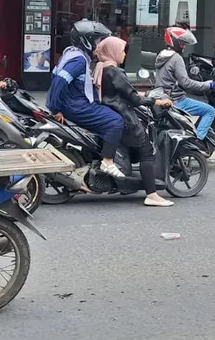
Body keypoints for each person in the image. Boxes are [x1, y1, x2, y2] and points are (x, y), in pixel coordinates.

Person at [94, 35, 175, 207]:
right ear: (113, 51)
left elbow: (123, 92)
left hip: (110, 114)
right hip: (123, 116)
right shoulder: (115, 71)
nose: (124, 55)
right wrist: (156, 101)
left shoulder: (101, 67)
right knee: (146, 150)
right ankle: (152, 195)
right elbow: (133, 99)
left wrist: (142, 95)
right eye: (122, 51)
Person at [47, 19, 126, 179]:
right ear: (87, 41)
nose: (100, 45)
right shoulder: (78, 60)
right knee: (116, 121)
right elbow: (59, 82)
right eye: (98, 41)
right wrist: (55, 108)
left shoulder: (70, 54)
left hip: (73, 103)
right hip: (77, 106)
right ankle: (108, 162)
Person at [154, 27, 215, 141]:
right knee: (210, 111)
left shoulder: (161, 55)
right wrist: (207, 85)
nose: (183, 46)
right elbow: (186, 83)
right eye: (182, 42)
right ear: (175, 41)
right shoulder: (176, 58)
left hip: (163, 97)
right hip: (176, 100)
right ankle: (197, 141)